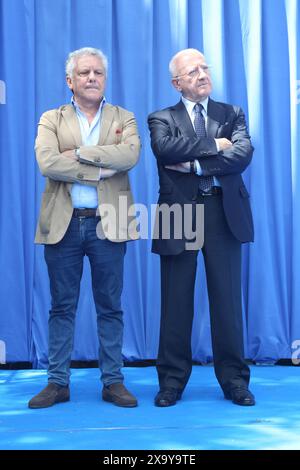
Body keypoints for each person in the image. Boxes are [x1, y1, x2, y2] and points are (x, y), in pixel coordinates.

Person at [29, 47, 140, 409]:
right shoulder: (51, 118)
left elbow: (130, 156)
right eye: (84, 73)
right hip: (64, 226)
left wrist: (76, 154)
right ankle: (57, 383)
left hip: (109, 225)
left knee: (110, 307)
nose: (92, 78)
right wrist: (100, 163)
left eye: (98, 73)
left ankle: (113, 382)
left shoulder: (125, 116)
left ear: (104, 79)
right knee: (62, 307)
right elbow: (47, 163)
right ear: (70, 81)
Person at [148, 48, 255, 407]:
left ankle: (235, 381)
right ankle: (171, 382)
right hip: (178, 215)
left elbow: (241, 156)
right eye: (192, 71)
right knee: (175, 303)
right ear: (177, 82)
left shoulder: (232, 113)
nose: (202, 74)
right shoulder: (160, 117)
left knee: (227, 303)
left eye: (204, 67)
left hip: (224, 215)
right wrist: (214, 146)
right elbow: (165, 150)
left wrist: (196, 166)